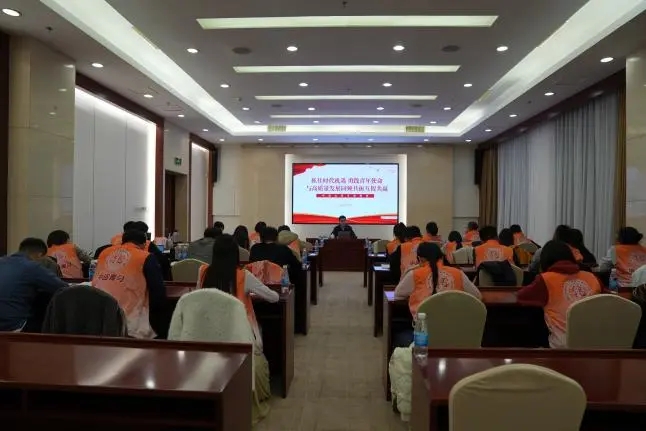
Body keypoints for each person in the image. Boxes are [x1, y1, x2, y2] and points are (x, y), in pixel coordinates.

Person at [199, 234, 278, 422]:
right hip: (239, 335)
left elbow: (198, 298)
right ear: (236, 254)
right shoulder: (243, 276)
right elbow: (273, 297)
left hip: (207, 332)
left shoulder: (203, 272)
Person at [517, 240, 601, 348]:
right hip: (596, 345)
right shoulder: (592, 277)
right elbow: (611, 299)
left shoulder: (545, 280)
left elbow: (521, 297)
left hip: (562, 348)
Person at [92, 230, 166, 339]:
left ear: (123, 241)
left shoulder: (104, 252)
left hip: (100, 316)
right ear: (144, 244)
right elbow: (157, 290)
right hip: (129, 319)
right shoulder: (145, 257)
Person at [395, 242, 482, 317]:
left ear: (420, 258)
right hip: (455, 326)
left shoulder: (415, 274)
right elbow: (477, 296)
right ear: (441, 257)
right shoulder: (458, 273)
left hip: (425, 328)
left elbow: (398, 294)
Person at [0, 238, 68, 332]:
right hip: (12, 325)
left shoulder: (2, 261)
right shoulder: (31, 267)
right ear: (39, 255)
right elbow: (62, 288)